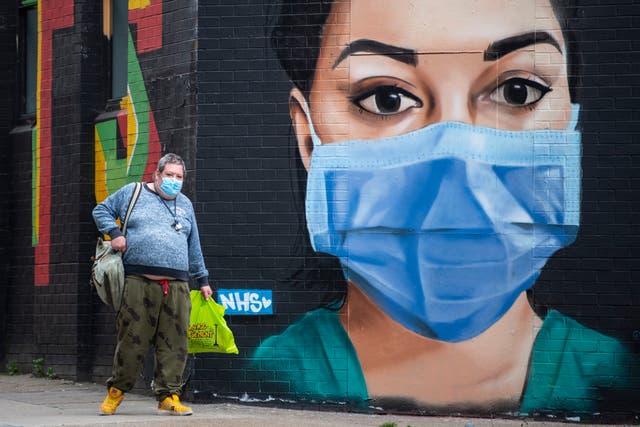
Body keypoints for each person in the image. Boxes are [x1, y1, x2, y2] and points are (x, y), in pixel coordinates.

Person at [251, 0, 640, 415]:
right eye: (385, 98)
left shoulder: (613, 375)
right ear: (308, 138)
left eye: (517, 91)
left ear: (570, 124)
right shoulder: (273, 373)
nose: (458, 160)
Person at [92, 153, 213, 416]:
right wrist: (115, 233)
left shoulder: (185, 205)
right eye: (169, 175)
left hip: (178, 284)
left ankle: (169, 395)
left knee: (175, 342)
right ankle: (116, 392)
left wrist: (202, 279)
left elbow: (194, 245)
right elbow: (101, 209)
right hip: (138, 281)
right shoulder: (132, 192)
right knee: (132, 339)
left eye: (179, 177)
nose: (174, 181)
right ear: (156, 175)